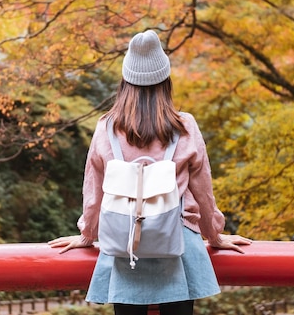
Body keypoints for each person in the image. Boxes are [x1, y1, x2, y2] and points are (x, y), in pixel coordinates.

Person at [48, 29, 252, 315]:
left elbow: (94, 191)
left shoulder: (106, 128)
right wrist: (214, 235)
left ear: (125, 82)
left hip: (123, 242)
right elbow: (203, 192)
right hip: (177, 243)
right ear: (165, 82)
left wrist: (87, 235)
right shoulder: (184, 126)